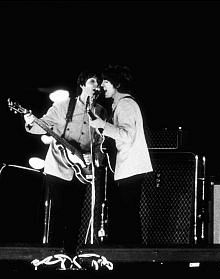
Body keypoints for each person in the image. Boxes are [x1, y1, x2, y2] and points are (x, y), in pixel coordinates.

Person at [23, 70, 107, 257]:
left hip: (82, 169)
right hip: (59, 167)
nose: (96, 86)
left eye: (99, 83)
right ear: (83, 84)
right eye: (93, 81)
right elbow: (41, 125)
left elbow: (101, 143)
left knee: (75, 213)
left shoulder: (100, 111)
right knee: (58, 212)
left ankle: (70, 255)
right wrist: (29, 121)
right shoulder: (63, 106)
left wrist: (93, 158)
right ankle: (53, 255)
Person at [89, 64, 153, 247]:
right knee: (127, 212)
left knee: (128, 212)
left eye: (106, 82)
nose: (102, 86)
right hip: (128, 167)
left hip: (131, 167)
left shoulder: (126, 104)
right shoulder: (122, 104)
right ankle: (129, 251)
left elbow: (126, 135)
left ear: (116, 84)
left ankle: (131, 252)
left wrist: (102, 125)